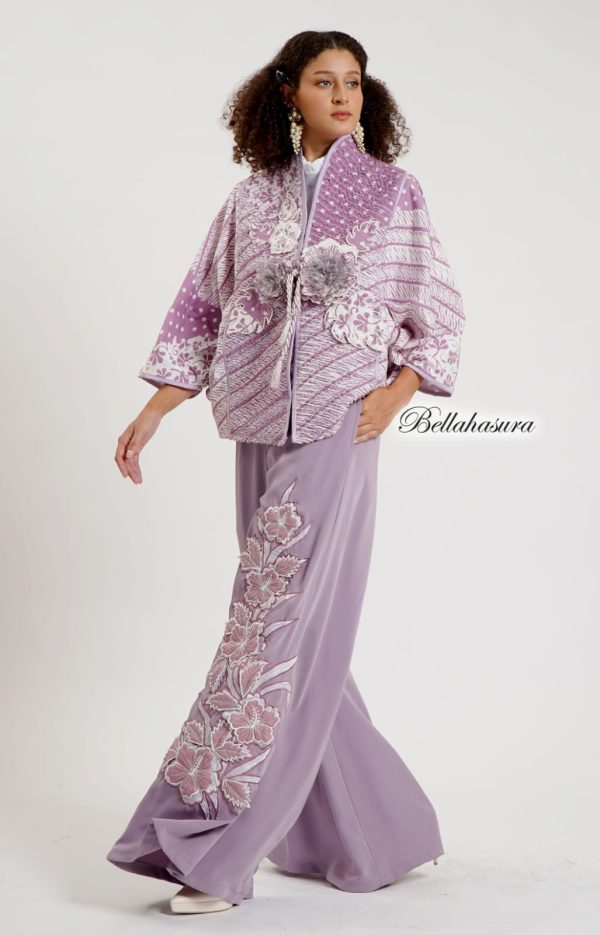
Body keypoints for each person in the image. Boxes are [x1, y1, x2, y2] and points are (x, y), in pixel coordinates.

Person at [107, 30, 465, 915]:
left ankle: (213, 845)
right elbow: (201, 304)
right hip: (257, 417)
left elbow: (436, 306)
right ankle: (384, 831)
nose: (343, 95)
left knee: (268, 627)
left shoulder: (392, 194)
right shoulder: (249, 199)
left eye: (355, 81)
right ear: (287, 92)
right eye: (324, 80)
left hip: (342, 418)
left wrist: (398, 393)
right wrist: (156, 408)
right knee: (299, 630)